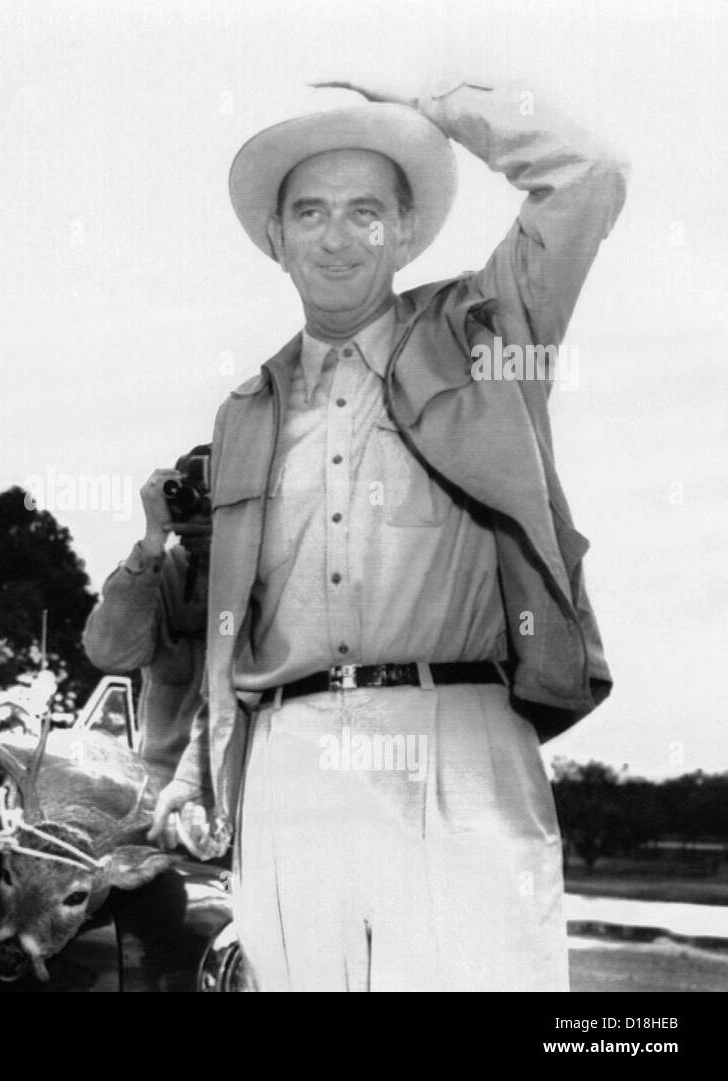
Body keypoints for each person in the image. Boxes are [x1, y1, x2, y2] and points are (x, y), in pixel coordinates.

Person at [151, 75, 627, 991]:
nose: (338, 237)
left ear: (405, 233)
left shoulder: (491, 333)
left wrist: (434, 102)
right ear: (276, 239)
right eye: (312, 212)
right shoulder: (241, 414)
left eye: (367, 212)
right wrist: (197, 769)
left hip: (458, 739)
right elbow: (225, 625)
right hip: (287, 760)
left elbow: (591, 175)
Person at [83, 449, 211, 790]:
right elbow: (110, 653)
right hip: (163, 780)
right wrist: (153, 539)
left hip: (244, 772)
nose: (199, 510)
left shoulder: (274, 575)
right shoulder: (162, 573)